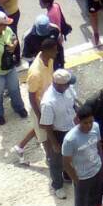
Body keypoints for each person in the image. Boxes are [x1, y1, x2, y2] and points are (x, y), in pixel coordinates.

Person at [40, 67, 79, 198]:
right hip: (58, 133)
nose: (69, 86)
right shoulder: (48, 102)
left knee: (70, 156)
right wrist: (54, 143)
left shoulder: (68, 89)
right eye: (67, 84)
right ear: (59, 84)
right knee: (56, 160)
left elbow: (73, 104)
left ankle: (67, 175)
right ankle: (57, 185)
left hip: (72, 128)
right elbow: (47, 125)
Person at [62, 104, 103, 206]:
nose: (89, 125)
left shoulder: (96, 127)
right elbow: (66, 164)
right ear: (78, 121)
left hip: (97, 169)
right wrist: (76, 180)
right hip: (83, 178)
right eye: (85, 123)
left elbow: (98, 146)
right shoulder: (70, 139)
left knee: (98, 197)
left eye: (91, 121)